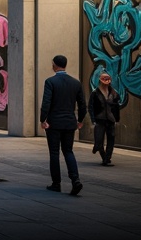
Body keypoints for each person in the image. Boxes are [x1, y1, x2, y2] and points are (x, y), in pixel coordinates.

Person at [41, 54, 87, 195]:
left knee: (54, 153)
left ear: (54, 65)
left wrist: (43, 119)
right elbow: (82, 104)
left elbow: (46, 103)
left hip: (54, 123)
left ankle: (56, 183)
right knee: (68, 151)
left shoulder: (50, 82)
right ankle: (75, 180)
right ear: (65, 65)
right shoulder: (76, 83)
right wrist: (80, 120)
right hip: (69, 123)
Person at [89, 72, 121, 166]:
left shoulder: (114, 93)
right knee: (99, 141)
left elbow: (116, 107)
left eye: (108, 79)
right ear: (100, 80)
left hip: (110, 119)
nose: (106, 81)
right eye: (104, 79)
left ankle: (107, 159)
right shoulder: (95, 93)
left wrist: (117, 119)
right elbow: (91, 107)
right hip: (99, 119)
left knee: (111, 139)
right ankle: (102, 154)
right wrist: (93, 119)